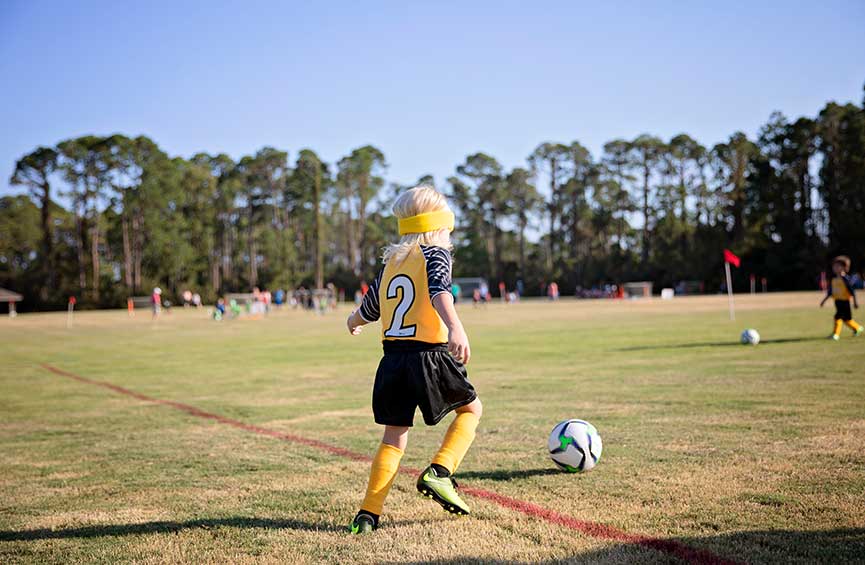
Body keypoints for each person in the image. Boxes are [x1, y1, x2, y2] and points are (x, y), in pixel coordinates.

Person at [345, 185, 482, 534]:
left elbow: (370, 308)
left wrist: (352, 320)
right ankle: (440, 472)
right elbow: (439, 292)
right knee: (472, 410)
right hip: (428, 355)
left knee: (394, 437)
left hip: (392, 360)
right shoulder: (435, 254)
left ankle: (368, 514)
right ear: (440, 224)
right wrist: (456, 327)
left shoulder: (391, 263)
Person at [820, 255, 863, 340]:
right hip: (837, 301)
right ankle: (857, 328)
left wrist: (855, 302)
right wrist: (824, 301)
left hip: (845, 302)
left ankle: (836, 334)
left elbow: (852, 292)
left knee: (838, 317)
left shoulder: (846, 279)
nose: (834, 268)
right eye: (834, 266)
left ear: (844, 267)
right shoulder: (833, 279)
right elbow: (830, 292)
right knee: (846, 319)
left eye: (837, 266)